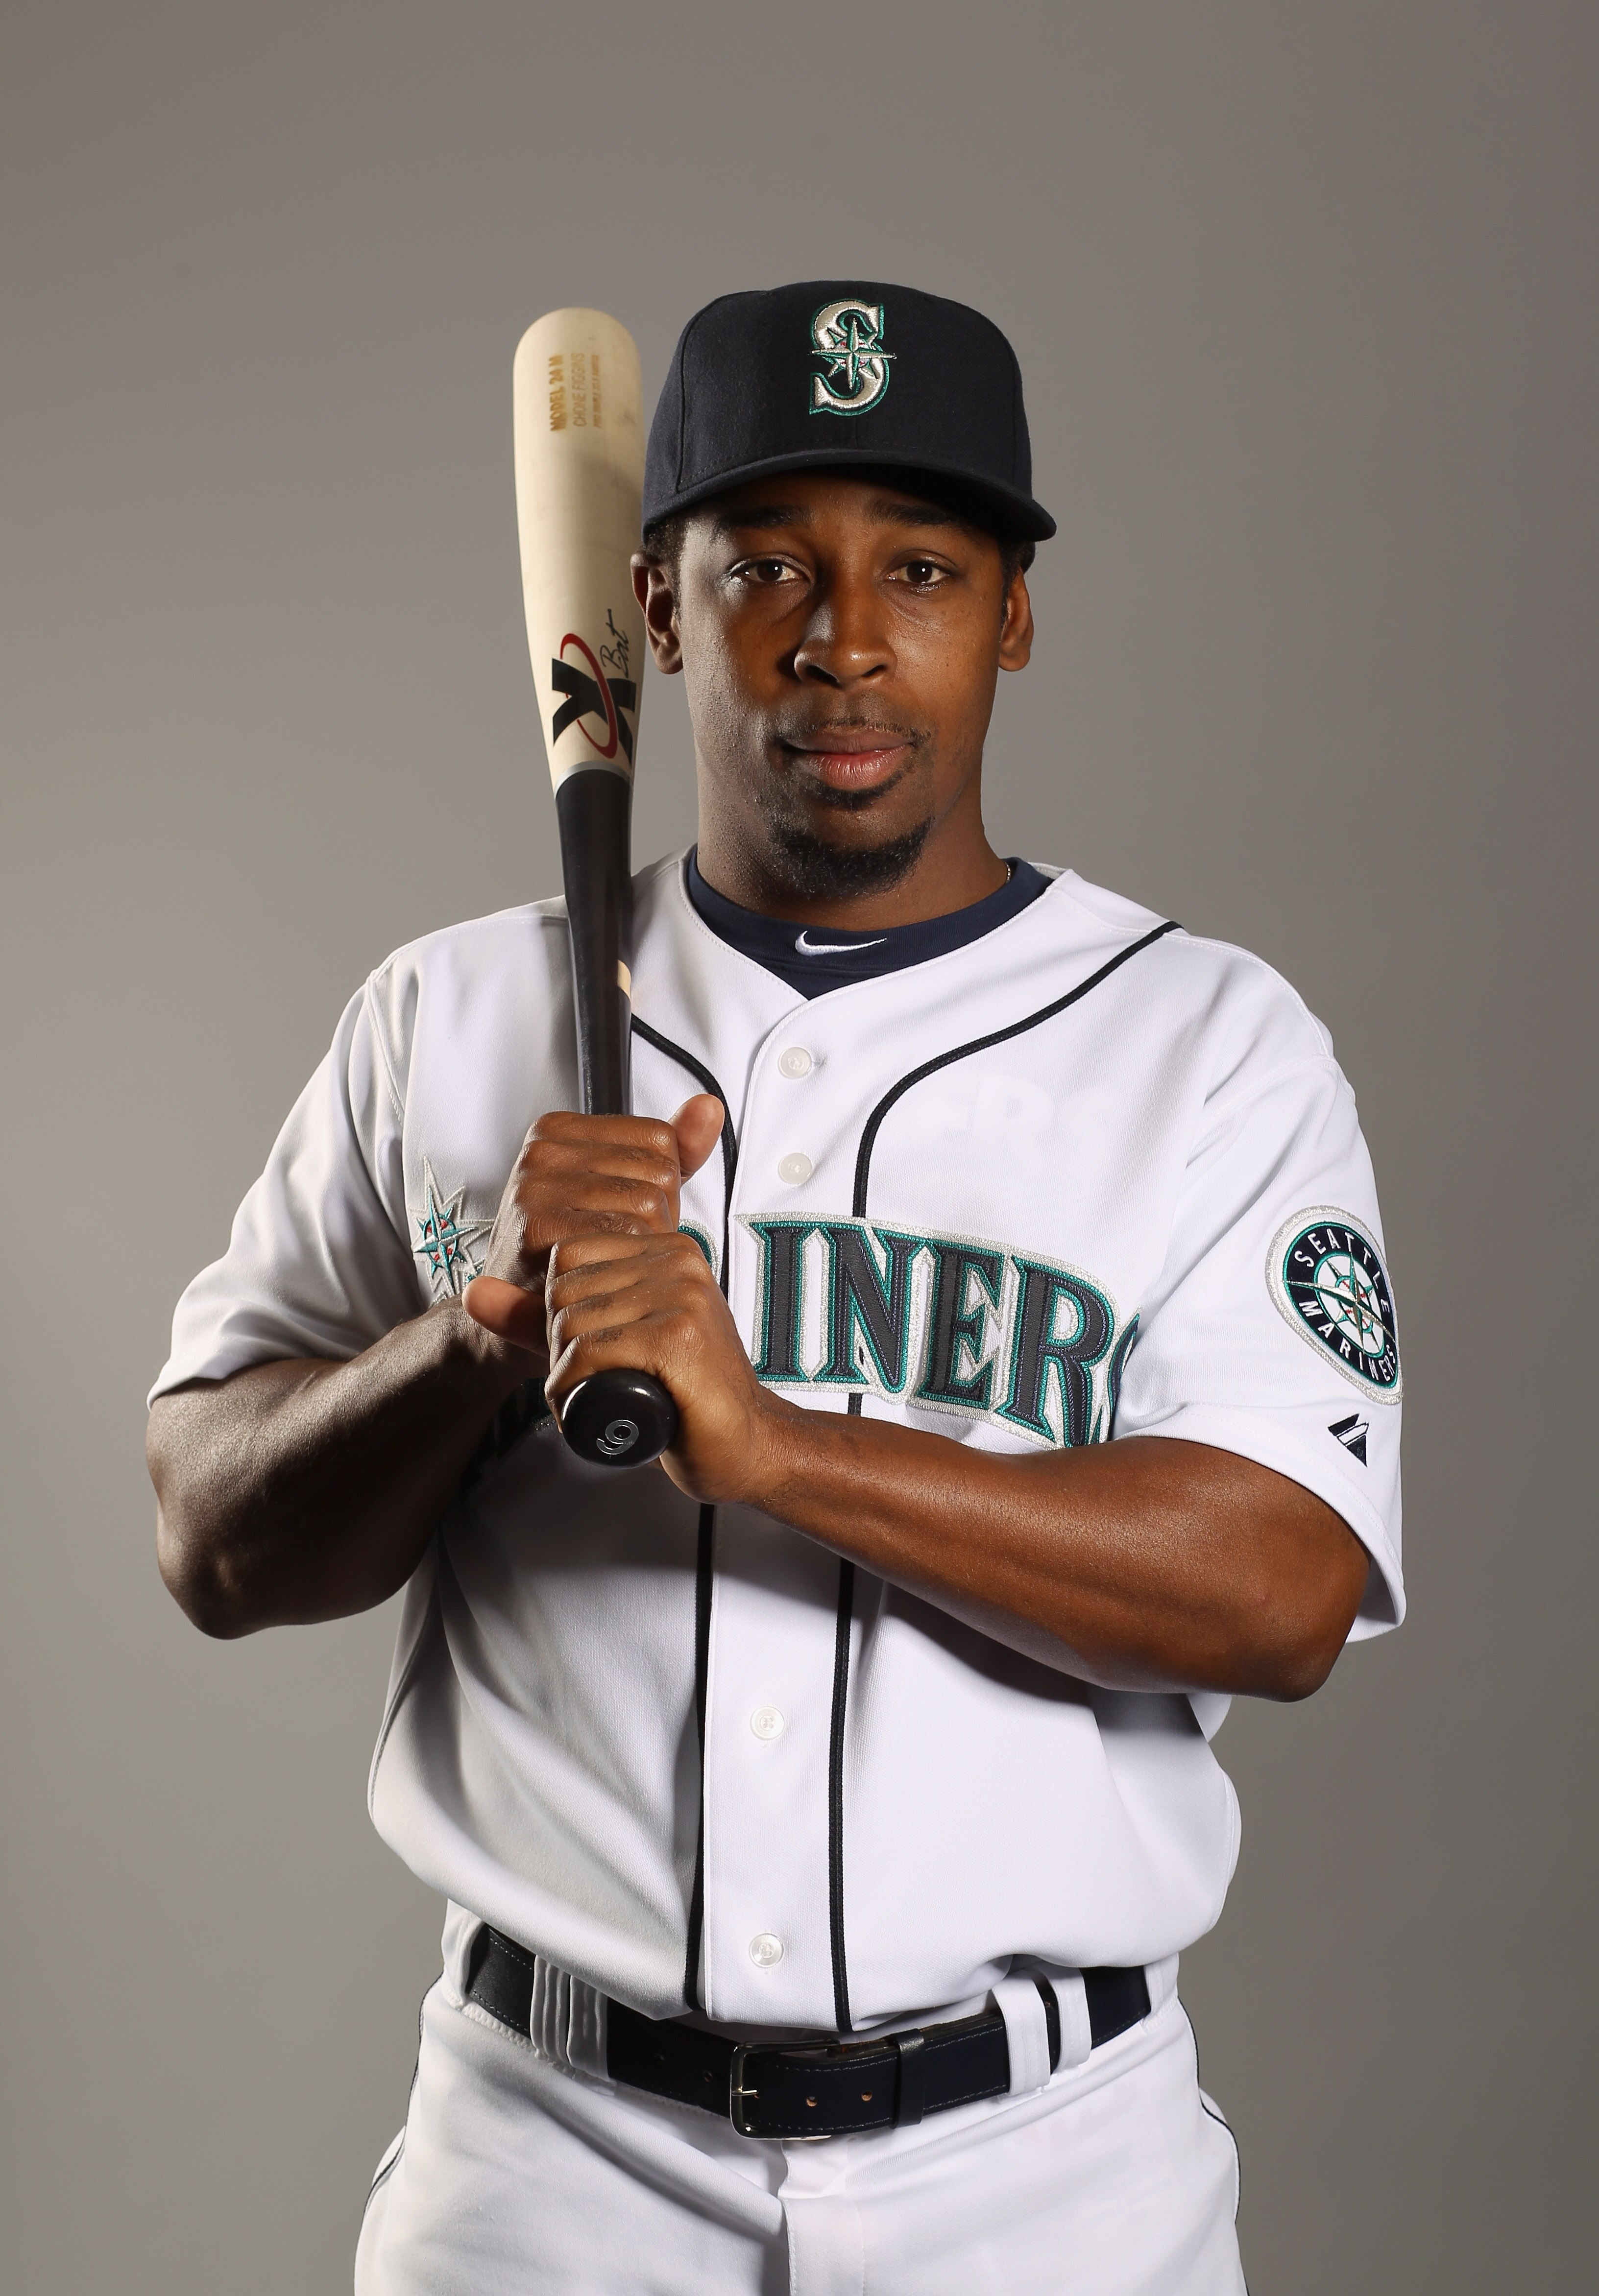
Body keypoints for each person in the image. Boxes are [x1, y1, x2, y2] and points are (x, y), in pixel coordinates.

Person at [147, 282, 1404, 2294]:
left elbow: (1281, 1590)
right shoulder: (451, 1017)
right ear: (651, 614)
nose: (841, 636)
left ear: (1012, 614)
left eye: (920, 565)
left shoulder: (1210, 1042)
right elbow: (213, 1535)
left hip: (1048, 2181)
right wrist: (475, 1337)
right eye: (767, 568)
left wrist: (774, 1445)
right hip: (547, 2167)